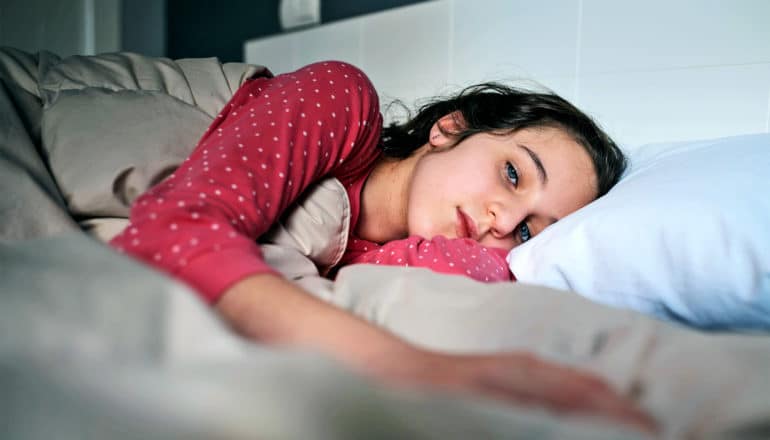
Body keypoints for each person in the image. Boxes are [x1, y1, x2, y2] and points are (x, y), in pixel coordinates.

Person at [111, 61, 652, 431]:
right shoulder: (343, 99)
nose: (502, 220)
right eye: (512, 174)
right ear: (450, 128)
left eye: (531, 230)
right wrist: (414, 368)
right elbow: (170, 232)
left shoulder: (407, 262)